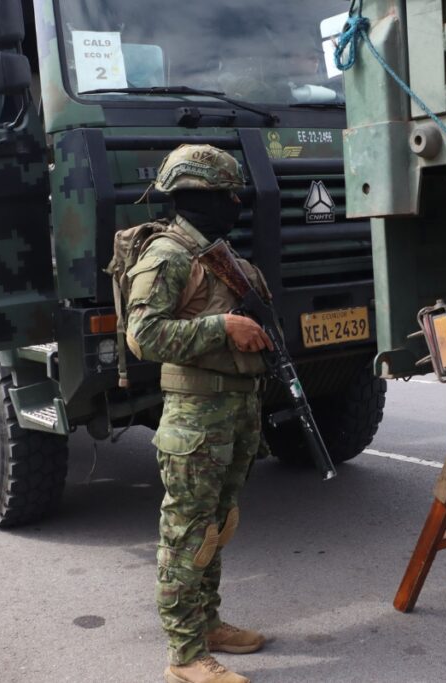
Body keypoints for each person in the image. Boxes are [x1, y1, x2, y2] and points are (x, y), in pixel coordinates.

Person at [123, 145, 273, 683]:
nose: (235, 203)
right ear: (196, 196)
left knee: (217, 524)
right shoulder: (168, 255)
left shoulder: (220, 254)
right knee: (187, 532)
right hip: (195, 416)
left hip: (234, 410)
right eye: (226, 195)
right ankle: (184, 655)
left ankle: (207, 624)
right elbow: (141, 336)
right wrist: (221, 329)